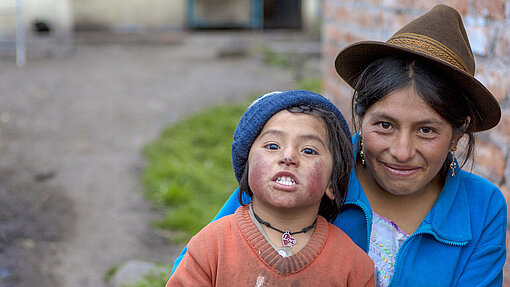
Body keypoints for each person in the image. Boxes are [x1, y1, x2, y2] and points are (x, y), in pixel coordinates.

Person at [172, 4, 507, 286]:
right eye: (384, 125)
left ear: (458, 133)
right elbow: (208, 258)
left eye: (427, 131)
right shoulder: (314, 167)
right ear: (359, 118)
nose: (402, 151)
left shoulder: (482, 207)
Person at [167, 90, 375, 286]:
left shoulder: (353, 265)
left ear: (332, 183)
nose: (289, 157)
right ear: (247, 170)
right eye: (273, 146)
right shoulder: (211, 246)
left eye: (309, 150)